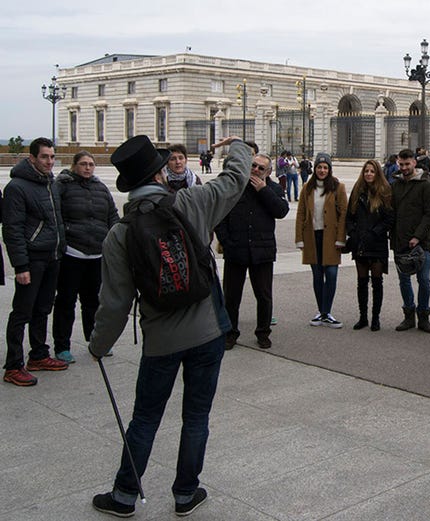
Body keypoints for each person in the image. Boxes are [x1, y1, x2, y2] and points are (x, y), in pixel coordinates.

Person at [88, 135, 252, 517]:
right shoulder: (192, 203)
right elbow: (235, 180)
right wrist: (240, 146)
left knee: (145, 418)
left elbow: (114, 304)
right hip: (208, 331)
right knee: (195, 417)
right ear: (161, 174)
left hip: (160, 340)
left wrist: (98, 346)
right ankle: (185, 494)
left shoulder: (120, 233)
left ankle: (125, 495)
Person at [2, 137, 69, 386]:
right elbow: (12, 229)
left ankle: (38, 355)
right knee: (22, 312)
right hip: (32, 260)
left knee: (43, 309)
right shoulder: (17, 187)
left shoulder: (51, 184)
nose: (49, 161)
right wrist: (21, 266)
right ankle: (13, 365)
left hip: (52, 257)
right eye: (44, 157)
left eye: (52, 157)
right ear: (32, 158)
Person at [215, 152, 289, 350]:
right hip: (236, 250)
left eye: (261, 168)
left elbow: (281, 211)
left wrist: (264, 190)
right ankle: (230, 333)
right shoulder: (236, 187)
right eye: (253, 166)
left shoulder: (273, 188)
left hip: (262, 251)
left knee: (264, 296)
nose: (255, 170)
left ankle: (263, 332)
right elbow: (220, 216)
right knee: (231, 296)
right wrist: (226, 241)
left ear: (268, 172)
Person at [52, 151, 119, 364]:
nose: (88, 168)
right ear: (74, 166)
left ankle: (95, 342)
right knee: (66, 301)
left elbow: (112, 216)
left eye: (91, 164)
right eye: (83, 164)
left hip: (96, 254)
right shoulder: (62, 186)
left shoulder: (101, 188)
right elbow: (56, 217)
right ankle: (62, 346)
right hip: (72, 253)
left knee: (93, 302)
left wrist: (113, 241)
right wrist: (63, 243)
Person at [295, 152, 348, 329]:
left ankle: (326, 312)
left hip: (331, 238)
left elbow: (343, 215)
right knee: (317, 276)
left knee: (331, 275)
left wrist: (341, 238)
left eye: (325, 167)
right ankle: (322, 312)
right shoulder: (307, 188)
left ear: (329, 169)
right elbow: (301, 213)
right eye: (319, 167)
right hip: (312, 236)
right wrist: (299, 239)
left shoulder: (338, 187)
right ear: (315, 169)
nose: (322, 170)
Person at [391, 148, 430, 334]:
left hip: (421, 242)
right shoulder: (395, 184)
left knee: (424, 280)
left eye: (407, 164)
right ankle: (408, 315)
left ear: (414, 163)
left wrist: (417, 236)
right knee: (404, 280)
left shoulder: (426, 185)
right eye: (401, 164)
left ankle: (424, 316)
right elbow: (391, 212)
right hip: (399, 240)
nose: (404, 168)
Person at [345, 160, 394, 331]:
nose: (369, 174)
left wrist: (374, 232)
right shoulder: (357, 191)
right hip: (360, 242)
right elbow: (349, 216)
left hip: (377, 243)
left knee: (377, 281)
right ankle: (363, 316)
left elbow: (389, 219)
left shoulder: (385, 191)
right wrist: (353, 232)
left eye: (372, 171)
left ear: (377, 173)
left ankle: (375, 317)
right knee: (361, 281)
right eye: (366, 171)